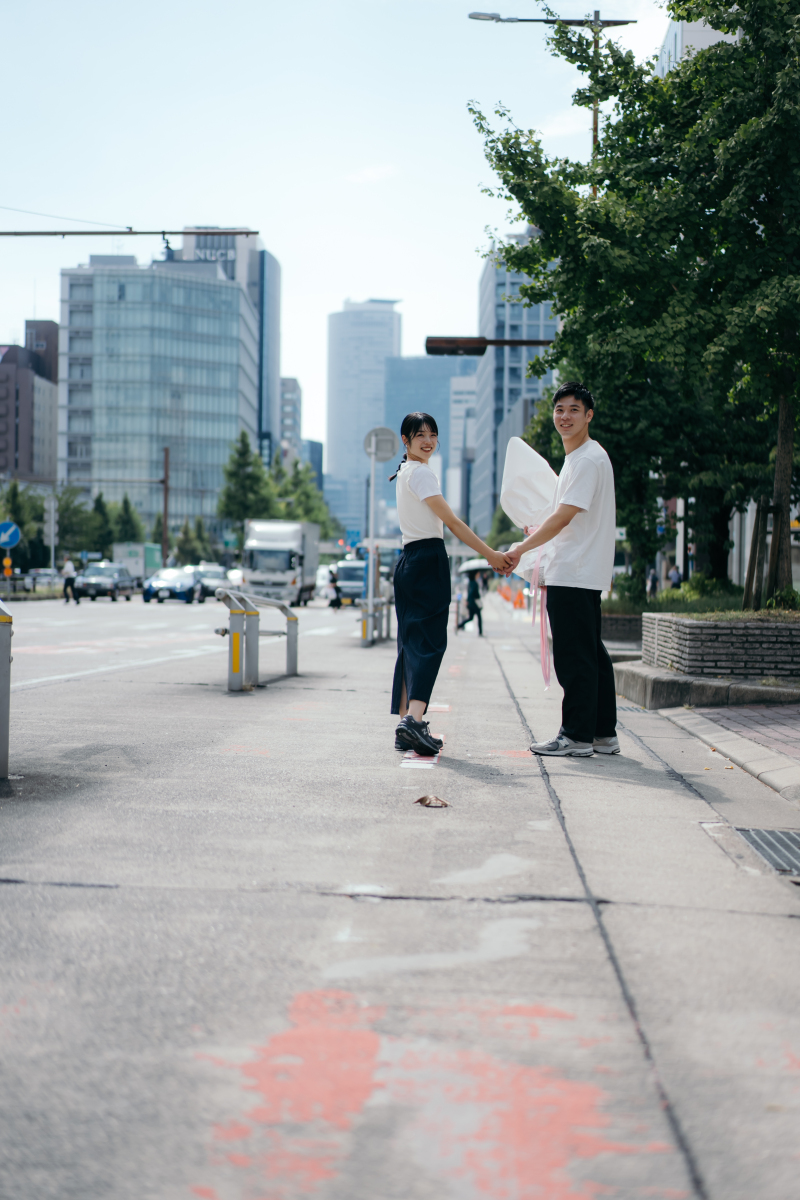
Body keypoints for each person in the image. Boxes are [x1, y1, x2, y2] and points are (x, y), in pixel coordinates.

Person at [504, 382, 618, 757]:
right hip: (581, 570)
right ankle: (602, 734)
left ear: (589, 415)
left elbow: (565, 517)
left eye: (573, 409)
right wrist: (537, 532)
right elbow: (563, 516)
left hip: (574, 570)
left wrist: (521, 548)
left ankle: (576, 736)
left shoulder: (585, 459)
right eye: (559, 410)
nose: (565, 417)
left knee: (574, 657)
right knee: (592, 654)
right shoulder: (583, 457)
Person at [390, 412, 507, 756]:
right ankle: (413, 720)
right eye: (419, 435)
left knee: (410, 642)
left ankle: (404, 725)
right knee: (430, 644)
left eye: (432, 435)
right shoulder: (422, 473)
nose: (427, 441)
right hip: (428, 560)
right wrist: (491, 554)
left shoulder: (403, 473)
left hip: (407, 561)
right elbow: (452, 522)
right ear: (405, 440)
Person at [457, 570, 483, 636]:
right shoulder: (474, 583)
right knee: (479, 617)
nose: (478, 575)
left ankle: (459, 626)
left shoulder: (470, 582)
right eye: (477, 573)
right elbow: (472, 593)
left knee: (470, 618)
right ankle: (480, 632)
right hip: (474, 603)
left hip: (470, 603)